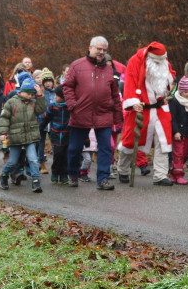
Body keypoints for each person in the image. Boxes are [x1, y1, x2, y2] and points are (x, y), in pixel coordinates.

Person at [62, 36, 124, 190]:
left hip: (103, 114)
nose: (101, 52)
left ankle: (102, 179)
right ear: (90, 48)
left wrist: (117, 115)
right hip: (81, 113)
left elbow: (115, 94)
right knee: (75, 148)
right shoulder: (77, 65)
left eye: (104, 50)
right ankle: (73, 174)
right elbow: (67, 87)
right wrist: (72, 105)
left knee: (105, 148)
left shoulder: (109, 70)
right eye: (98, 49)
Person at [115, 41, 177, 187]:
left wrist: (170, 80)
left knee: (164, 142)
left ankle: (160, 175)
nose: (160, 63)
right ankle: (123, 169)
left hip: (161, 108)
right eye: (157, 61)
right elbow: (130, 81)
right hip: (140, 108)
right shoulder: (135, 61)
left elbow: (170, 77)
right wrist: (133, 102)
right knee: (130, 141)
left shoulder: (163, 61)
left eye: (163, 60)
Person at [0, 79, 47, 193]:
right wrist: (3, 133)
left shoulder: (33, 102)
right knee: (13, 161)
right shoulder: (11, 102)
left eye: (32, 94)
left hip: (30, 136)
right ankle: (4, 175)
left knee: (33, 159)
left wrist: (39, 94)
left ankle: (36, 181)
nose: (30, 96)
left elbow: (41, 109)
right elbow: (4, 118)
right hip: (16, 136)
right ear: (21, 91)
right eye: (28, 93)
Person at [169, 76, 188, 185]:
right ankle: (178, 175)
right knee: (178, 153)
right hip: (179, 132)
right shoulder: (174, 101)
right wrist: (176, 131)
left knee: (185, 154)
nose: (187, 94)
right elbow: (173, 118)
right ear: (180, 91)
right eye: (185, 92)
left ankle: (173, 171)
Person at [43, 85, 71, 184]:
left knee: (65, 156)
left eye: (57, 95)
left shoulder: (70, 107)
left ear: (63, 97)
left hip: (67, 135)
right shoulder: (53, 106)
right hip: (55, 134)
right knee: (58, 154)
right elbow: (46, 118)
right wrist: (41, 128)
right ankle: (55, 173)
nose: (55, 97)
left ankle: (64, 175)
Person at [36, 68, 56, 174]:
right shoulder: (40, 93)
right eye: (45, 81)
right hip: (42, 122)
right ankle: (42, 164)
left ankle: (56, 164)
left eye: (50, 81)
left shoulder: (56, 93)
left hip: (53, 123)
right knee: (41, 143)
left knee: (54, 143)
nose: (48, 83)